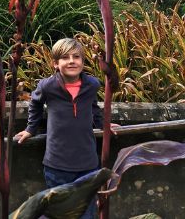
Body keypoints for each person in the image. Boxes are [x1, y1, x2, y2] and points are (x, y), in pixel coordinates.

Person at [14, 38, 118, 219]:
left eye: (76, 57)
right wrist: (31, 129)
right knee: (59, 212)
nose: (71, 61)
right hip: (57, 165)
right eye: (65, 57)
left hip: (88, 164)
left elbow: (93, 107)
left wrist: (104, 125)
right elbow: (35, 105)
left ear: (83, 62)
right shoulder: (47, 86)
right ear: (55, 64)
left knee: (87, 213)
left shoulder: (91, 85)